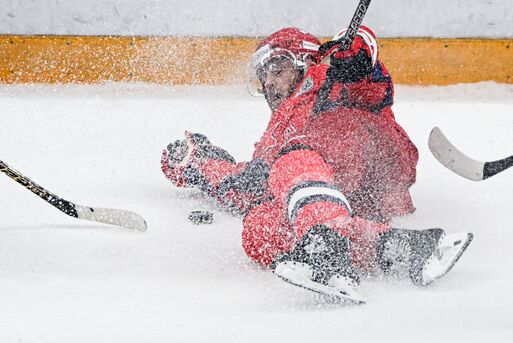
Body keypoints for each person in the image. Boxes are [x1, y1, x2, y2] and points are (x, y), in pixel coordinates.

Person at [161, 27, 472, 300]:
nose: (269, 81)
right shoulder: (276, 133)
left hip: (374, 157)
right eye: (264, 75)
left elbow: (373, 85)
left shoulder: (328, 79)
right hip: (340, 199)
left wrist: (356, 55)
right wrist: (199, 164)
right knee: (259, 227)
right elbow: (250, 185)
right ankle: (393, 245)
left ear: (306, 63)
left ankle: (327, 243)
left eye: (278, 69)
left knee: (293, 157)